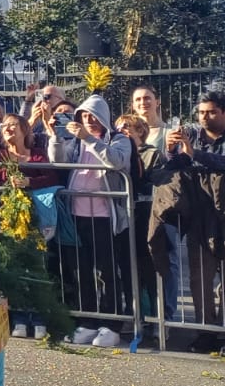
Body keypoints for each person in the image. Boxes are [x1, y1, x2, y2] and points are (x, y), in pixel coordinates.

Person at [164, 91, 225, 359]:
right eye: (202, 112)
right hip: (200, 215)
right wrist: (170, 149)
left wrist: (195, 154)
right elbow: (175, 165)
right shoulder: (192, 135)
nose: (205, 117)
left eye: (212, 112)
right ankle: (205, 330)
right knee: (200, 278)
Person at [49, 94, 133, 349]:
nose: (89, 120)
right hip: (77, 214)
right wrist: (55, 137)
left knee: (107, 270)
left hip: (105, 216)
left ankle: (112, 323)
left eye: (93, 116)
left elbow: (116, 161)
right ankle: (87, 320)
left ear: (103, 117)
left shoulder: (118, 139)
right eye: (84, 116)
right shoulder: (75, 142)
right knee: (81, 269)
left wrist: (89, 139)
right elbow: (58, 162)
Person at [0, 112, 55, 340]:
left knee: (37, 267)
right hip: (10, 217)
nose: (8, 129)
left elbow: (52, 178)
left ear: (24, 130)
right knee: (15, 267)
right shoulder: (0, 155)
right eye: (5, 126)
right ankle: (18, 317)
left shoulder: (37, 154)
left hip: (35, 218)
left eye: (13, 125)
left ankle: (39, 318)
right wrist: (8, 184)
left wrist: (30, 182)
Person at [129, 86, 180, 324]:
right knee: (138, 261)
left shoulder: (168, 131)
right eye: (138, 99)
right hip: (136, 208)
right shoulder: (126, 130)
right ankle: (143, 314)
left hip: (162, 206)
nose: (143, 102)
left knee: (166, 259)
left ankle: (166, 315)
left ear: (157, 101)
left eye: (147, 98)